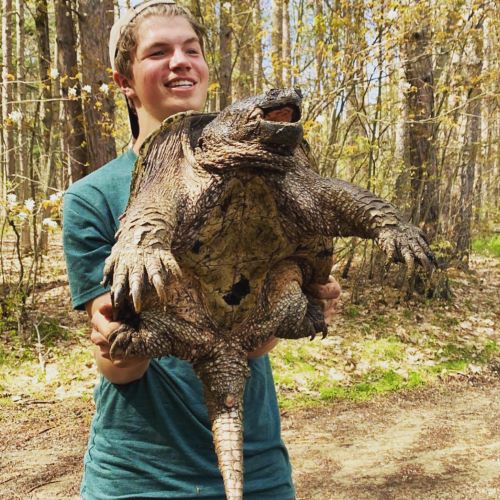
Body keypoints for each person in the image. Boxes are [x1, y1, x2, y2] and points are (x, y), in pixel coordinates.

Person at [63, 1, 341, 498]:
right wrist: (119, 339)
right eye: (158, 52)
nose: (180, 61)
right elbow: (118, 366)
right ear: (124, 81)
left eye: (191, 49)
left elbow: (252, 341)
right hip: (138, 477)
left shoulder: (259, 173)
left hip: (256, 466)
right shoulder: (93, 197)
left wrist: (297, 304)